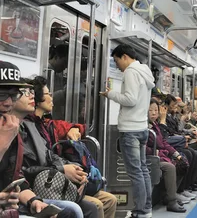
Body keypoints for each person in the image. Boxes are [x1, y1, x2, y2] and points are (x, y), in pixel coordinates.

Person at [0, 61, 84, 218]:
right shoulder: (9, 132)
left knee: (72, 211)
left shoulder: (15, 130)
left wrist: (34, 201)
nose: (8, 103)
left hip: (11, 206)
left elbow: (16, 178)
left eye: (13, 96)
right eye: (2, 95)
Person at [27, 77, 118, 218]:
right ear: (38, 100)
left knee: (110, 200)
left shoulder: (47, 125)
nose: (52, 98)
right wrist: (63, 170)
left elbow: (77, 129)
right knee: (95, 206)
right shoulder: (26, 127)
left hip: (55, 176)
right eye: (48, 94)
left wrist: (77, 171)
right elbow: (34, 165)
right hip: (45, 183)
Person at [10, 74, 99, 218]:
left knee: (94, 205)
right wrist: (62, 170)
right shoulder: (20, 128)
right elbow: (20, 173)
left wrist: (77, 170)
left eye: (32, 92)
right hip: (30, 189)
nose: (31, 96)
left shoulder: (34, 126)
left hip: (28, 190)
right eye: (25, 92)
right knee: (78, 209)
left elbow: (47, 156)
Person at [100, 45, 155, 218]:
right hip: (142, 127)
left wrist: (111, 94)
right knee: (143, 170)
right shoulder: (144, 71)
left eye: (116, 61)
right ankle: (146, 208)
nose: (117, 66)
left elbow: (130, 99)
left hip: (130, 129)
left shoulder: (131, 72)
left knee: (136, 172)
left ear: (124, 56)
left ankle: (140, 211)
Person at [146, 101, 188, 213]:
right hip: (151, 158)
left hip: (161, 155)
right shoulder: (143, 127)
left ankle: (170, 193)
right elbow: (144, 148)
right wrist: (158, 152)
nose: (154, 113)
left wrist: (176, 154)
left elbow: (164, 142)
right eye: (150, 110)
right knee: (170, 167)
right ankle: (171, 201)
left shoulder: (155, 125)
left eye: (156, 110)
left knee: (182, 160)